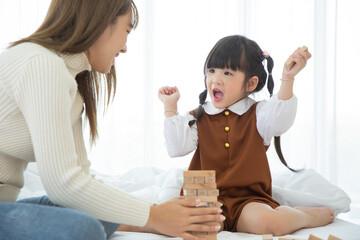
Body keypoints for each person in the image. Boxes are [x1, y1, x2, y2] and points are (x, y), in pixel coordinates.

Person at [0, 0, 224, 239]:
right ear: (100, 22)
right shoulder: (42, 64)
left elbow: (80, 178)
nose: (125, 47)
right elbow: (63, 185)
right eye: (126, 30)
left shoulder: (68, 85)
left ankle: (144, 222)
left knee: (99, 211)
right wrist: (155, 215)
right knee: (83, 229)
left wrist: (156, 214)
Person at [158, 35, 335, 236]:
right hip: (205, 195)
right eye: (211, 71)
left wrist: (288, 78)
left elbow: (281, 118)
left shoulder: (259, 114)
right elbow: (176, 148)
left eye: (227, 72)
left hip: (248, 200)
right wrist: (170, 107)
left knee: (269, 224)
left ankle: (304, 216)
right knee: (192, 226)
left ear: (251, 84)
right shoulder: (199, 116)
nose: (215, 78)